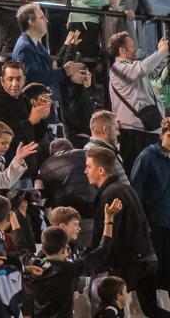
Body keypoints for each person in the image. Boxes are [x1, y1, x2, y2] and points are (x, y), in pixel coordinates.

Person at [84, 146, 165, 318]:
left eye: (88, 167)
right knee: (151, 309)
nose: (85, 171)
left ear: (100, 170)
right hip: (148, 258)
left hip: (128, 261)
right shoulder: (125, 189)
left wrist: (93, 257)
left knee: (109, 308)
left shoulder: (109, 194)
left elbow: (108, 233)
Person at [106, 32, 168, 170]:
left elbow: (152, 70)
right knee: (136, 173)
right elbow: (143, 68)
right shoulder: (117, 68)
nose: (136, 49)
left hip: (147, 129)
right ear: (122, 50)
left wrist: (164, 54)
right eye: (132, 46)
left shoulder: (132, 66)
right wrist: (161, 51)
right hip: (133, 133)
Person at [129, 117, 170, 299]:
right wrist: (142, 222)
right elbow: (135, 190)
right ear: (162, 135)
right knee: (157, 266)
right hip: (155, 221)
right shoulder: (147, 157)